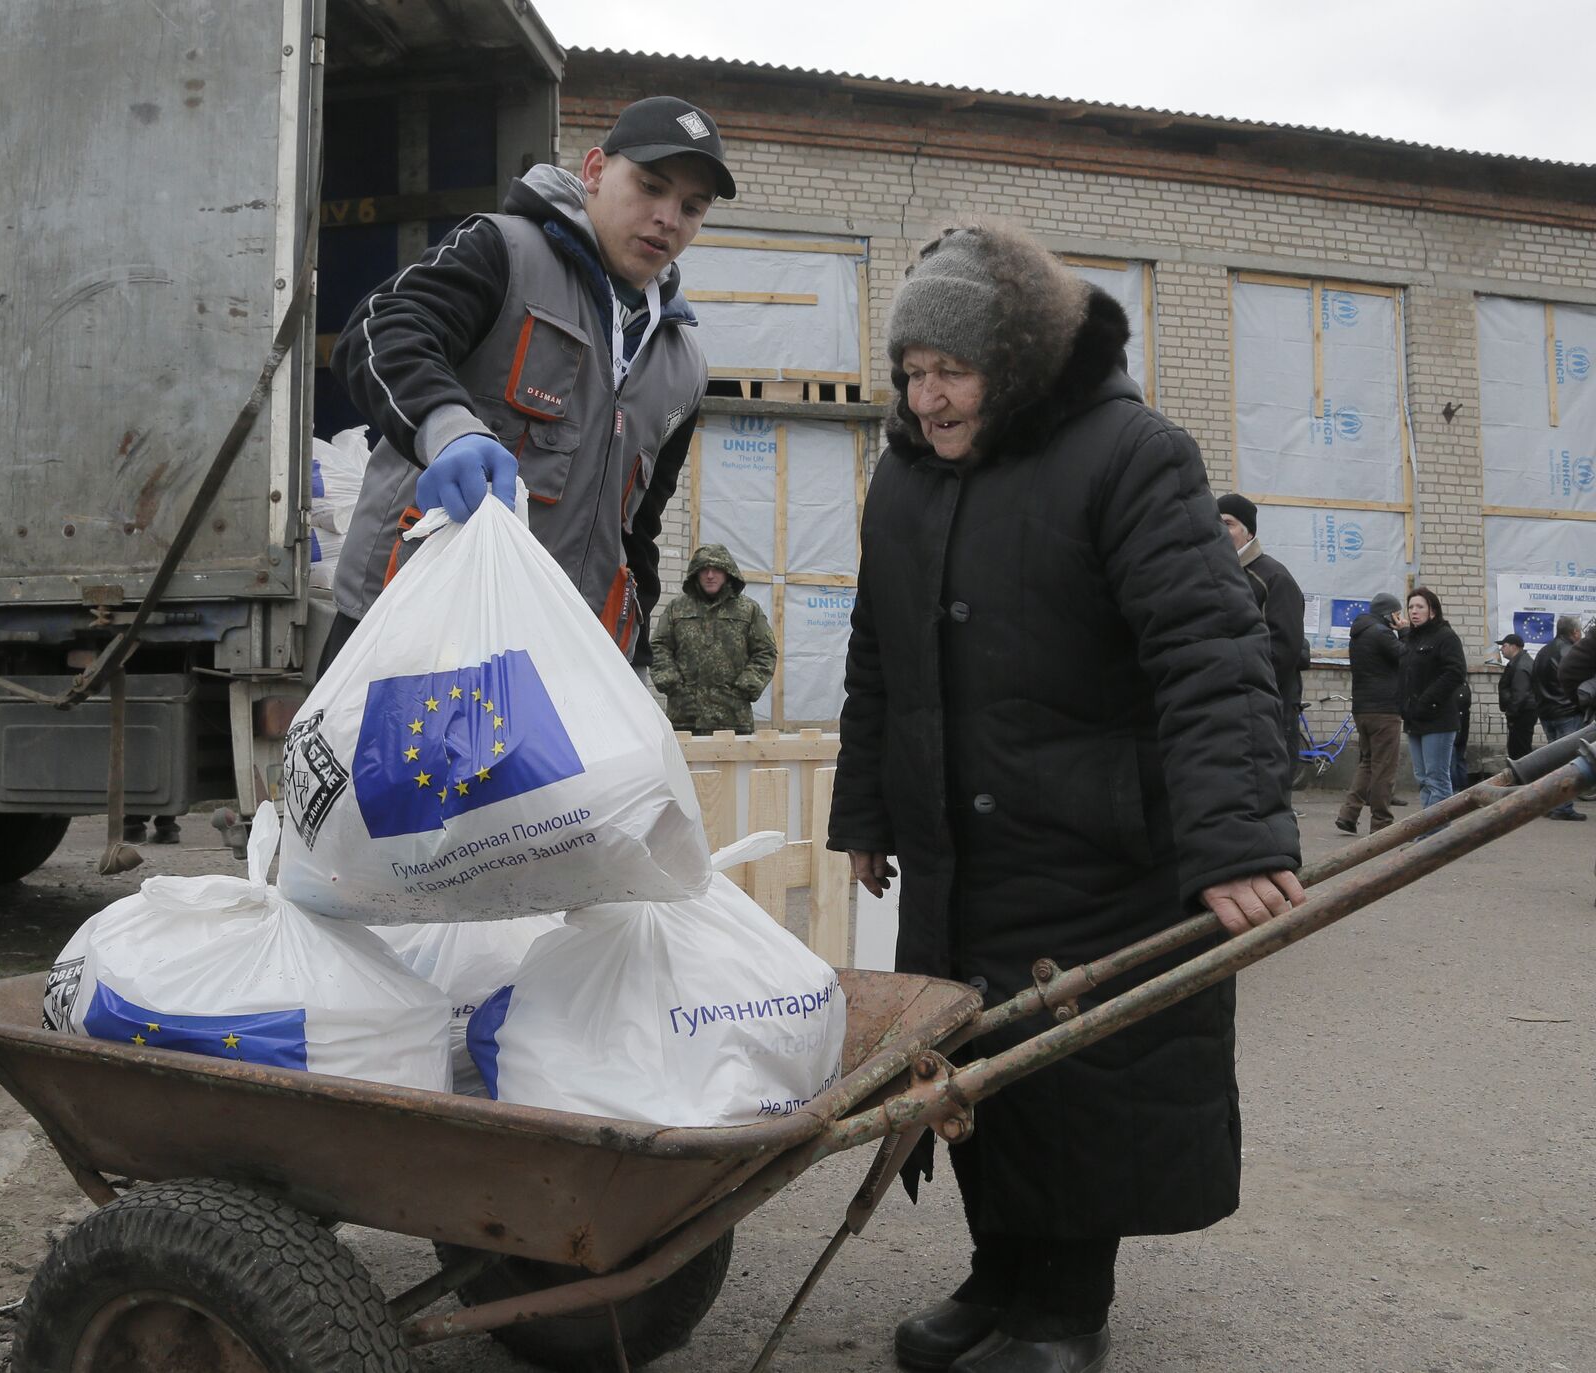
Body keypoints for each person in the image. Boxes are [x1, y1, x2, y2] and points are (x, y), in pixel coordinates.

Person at [828, 221, 1302, 1373]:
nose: (927, 398)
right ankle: (998, 1275)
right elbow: (876, 656)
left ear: (1018, 363)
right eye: (910, 374)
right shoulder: (902, 477)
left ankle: (1065, 1305)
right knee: (970, 1067)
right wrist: (867, 815)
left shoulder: (1130, 453)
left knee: (1080, 1067)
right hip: (956, 846)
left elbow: (1210, 648)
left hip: (1095, 841)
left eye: (951, 372)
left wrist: (1235, 837)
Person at [322, 97, 735, 674]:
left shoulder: (683, 366)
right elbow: (381, 331)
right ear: (593, 172)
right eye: (649, 186)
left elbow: (638, 530)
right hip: (408, 641)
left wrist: (632, 662)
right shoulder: (505, 252)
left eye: (692, 207)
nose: (668, 217)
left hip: (552, 669)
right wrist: (448, 430)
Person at [1216, 493, 1309, 761]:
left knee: (1266, 788)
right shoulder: (1219, 576)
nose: (1220, 530)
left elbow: (1283, 649)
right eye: (1216, 523)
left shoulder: (1273, 577)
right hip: (1229, 708)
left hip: (1267, 709)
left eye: (1228, 523)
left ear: (1249, 533)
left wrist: (1245, 689)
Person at [648, 544, 777, 734]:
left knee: (731, 765)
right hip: (684, 718)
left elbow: (766, 651)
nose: (710, 575)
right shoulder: (677, 608)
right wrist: (674, 686)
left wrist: (745, 688)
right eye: (704, 570)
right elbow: (659, 647)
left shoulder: (748, 610)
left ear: (728, 573)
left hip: (733, 719)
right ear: (695, 574)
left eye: (716, 570)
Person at [1335, 592, 1407, 835]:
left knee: (1367, 763)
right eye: (1398, 614)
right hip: (1384, 709)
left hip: (1363, 709)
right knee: (1384, 766)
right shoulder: (1382, 633)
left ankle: (1348, 814)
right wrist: (1404, 631)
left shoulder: (1360, 632)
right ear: (1389, 615)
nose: (1401, 618)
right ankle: (1381, 822)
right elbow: (1405, 657)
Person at [1397, 587, 1468, 812]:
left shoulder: (1445, 637)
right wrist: (1404, 705)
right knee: (1422, 778)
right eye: (1411, 607)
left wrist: (1426, 700)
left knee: (1437, 778)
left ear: (1433, 611)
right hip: (1414, 719)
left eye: (1420, 607)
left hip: (1438, 719)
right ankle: (1427, 830)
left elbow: (1455, 672)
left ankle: (1438, 834)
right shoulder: (1411, 639)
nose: (1414, 611)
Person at [1531, 615, 1586, 819]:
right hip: (1568, 713)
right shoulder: (1572, 653)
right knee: (1569, 762)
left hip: (1547, 714)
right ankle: (1563, 808)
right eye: (1579, 632)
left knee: (1554, 761)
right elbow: (1581, 683)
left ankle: (1553, 805)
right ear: (1574, 633)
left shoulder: (1543, 652)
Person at [1497, 633, 1538, 759]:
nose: (1501, 649)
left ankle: (1524, 777)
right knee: (1518, 749)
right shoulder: (1519, 662)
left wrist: (1511, 714)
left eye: (1504, 646)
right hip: (1522, 713)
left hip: (1522, 715)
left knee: (1519, 752)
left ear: (1514, 647)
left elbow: (1520, 694)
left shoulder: (1521, 666)